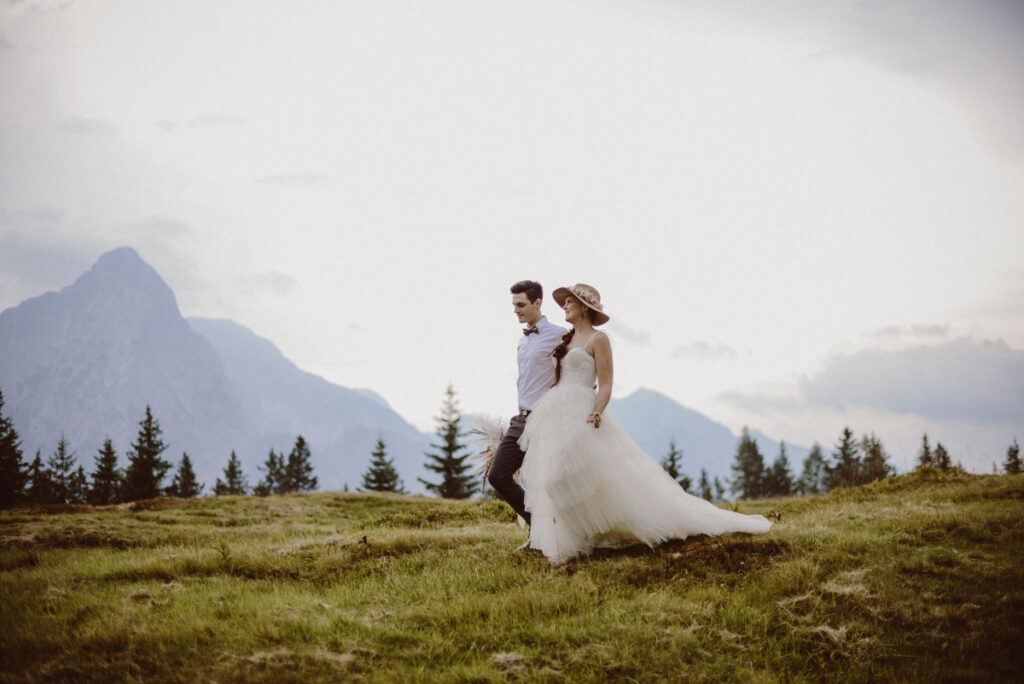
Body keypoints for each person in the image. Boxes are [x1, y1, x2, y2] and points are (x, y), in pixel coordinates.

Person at [519, 283, 772, 565]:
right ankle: (575, 537)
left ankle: (593, 534)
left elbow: (605, 383)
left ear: (584, 307)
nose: (564, 305)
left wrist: (597, 413)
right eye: (563, 302)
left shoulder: (598, 339)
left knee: (574, 476)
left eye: (569, 301)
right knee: (558, 478)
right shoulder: (566, 340)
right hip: (556, 412)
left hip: (581, 411)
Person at [488, 280, 566, 534]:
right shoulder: (523, 340)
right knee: (497, 476)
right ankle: (542, 526)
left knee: (547, 482)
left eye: (521, 304)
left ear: (537, 302)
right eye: (513, 305)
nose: (516, 310)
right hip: (521, 419)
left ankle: (552, 535)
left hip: (546, 419)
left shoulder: (560, 334)